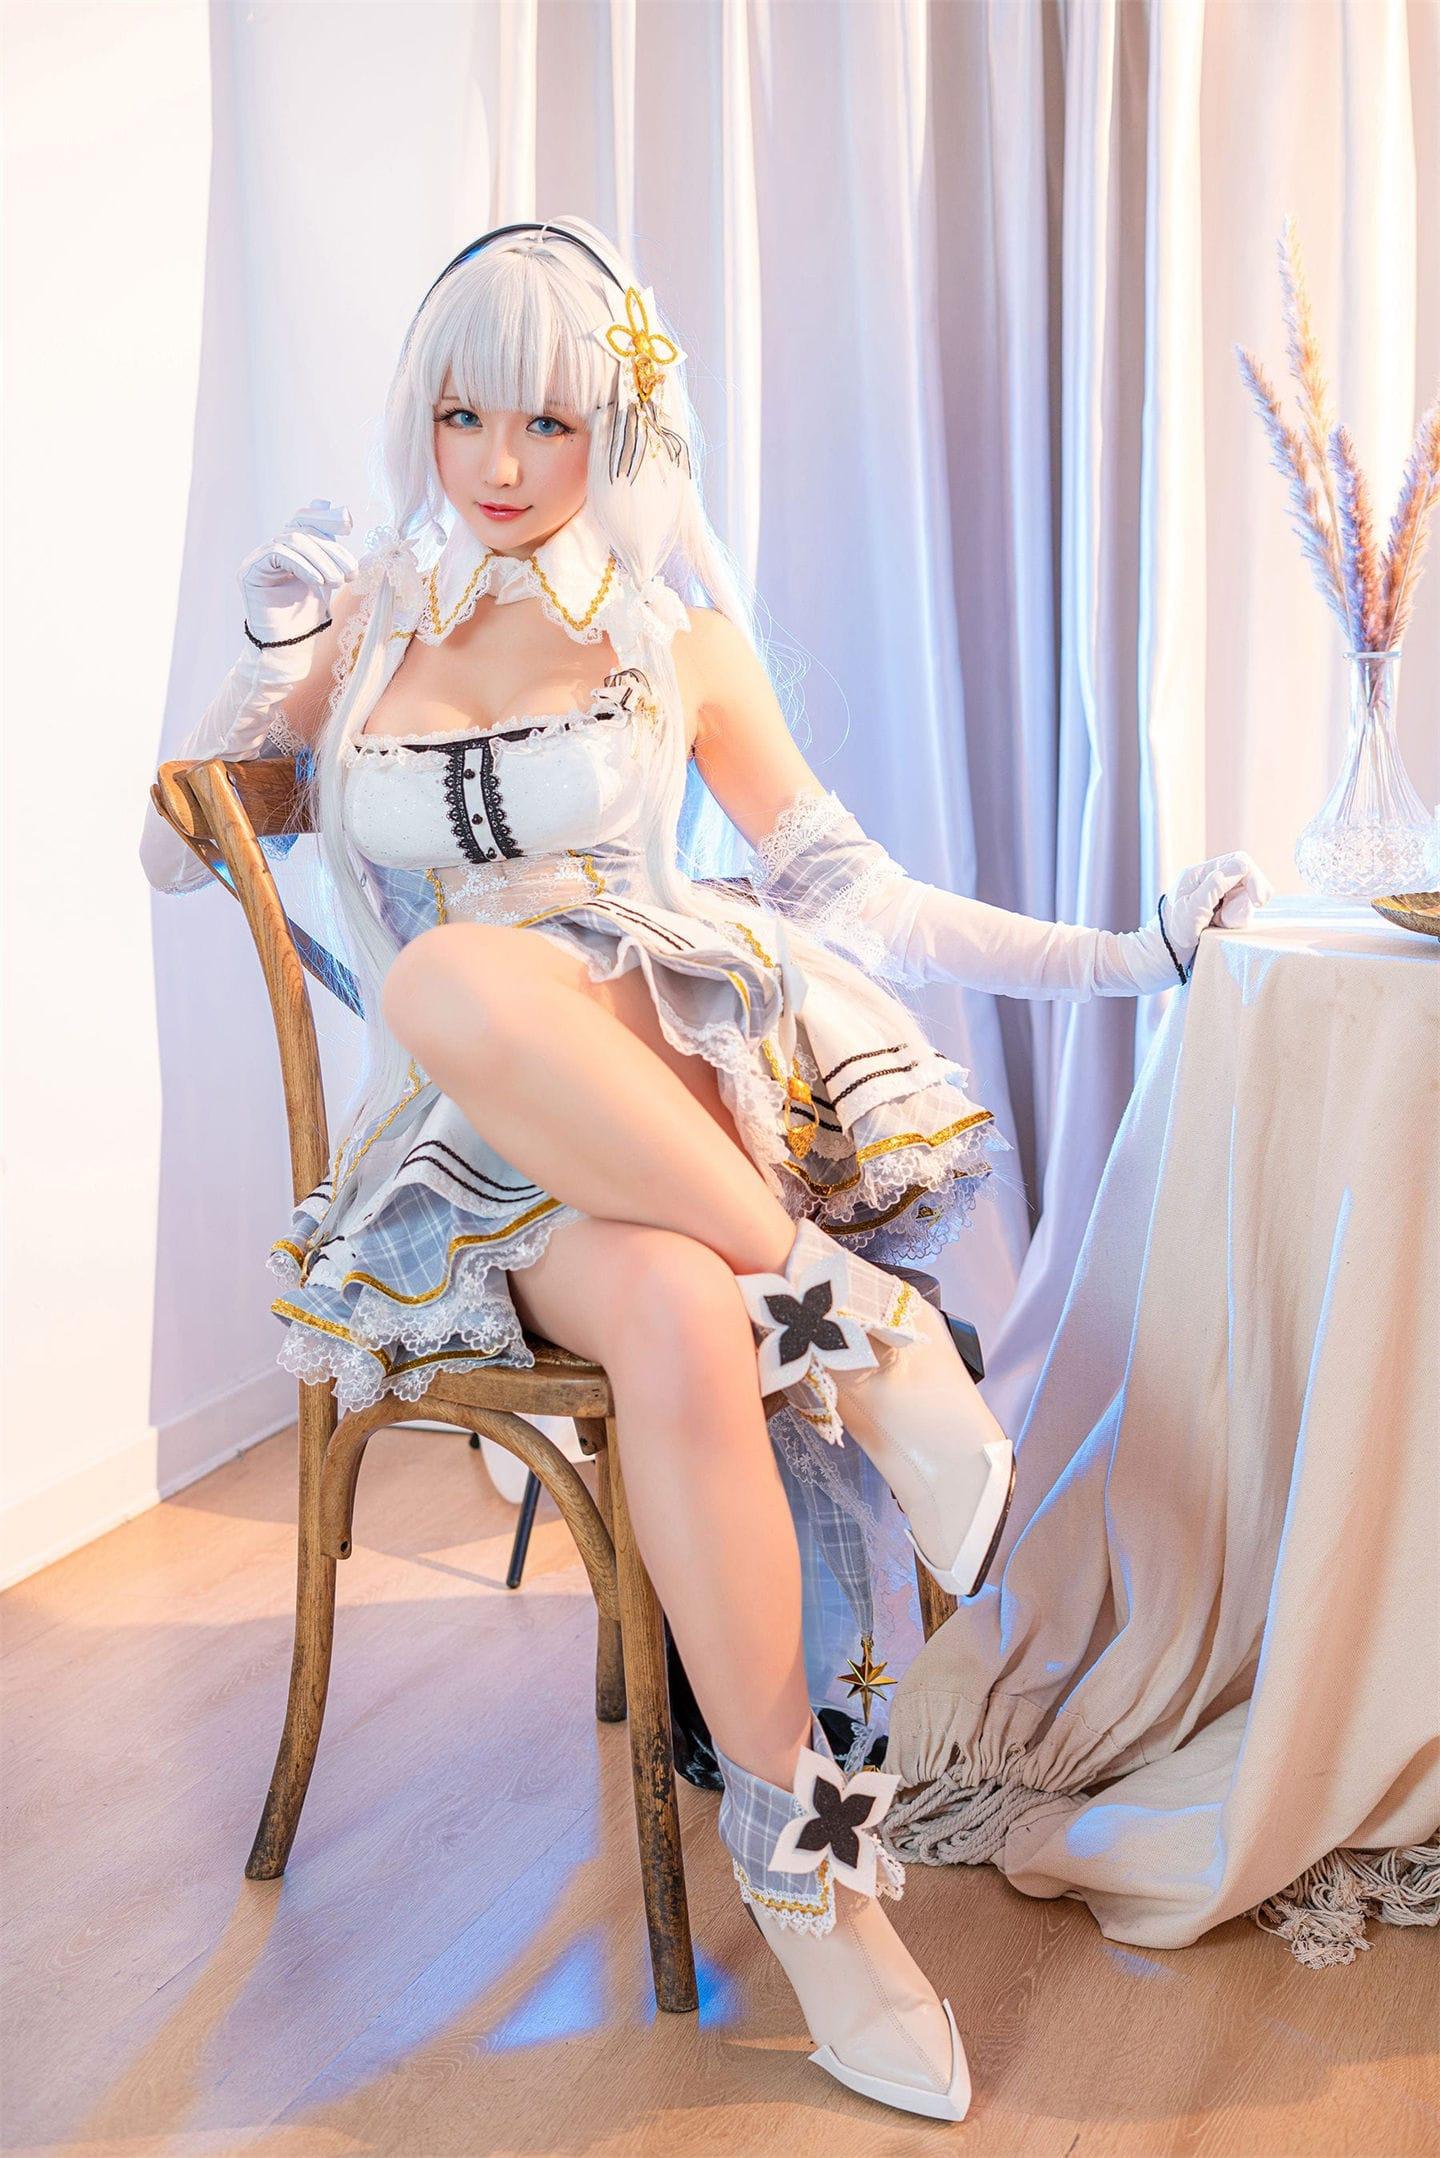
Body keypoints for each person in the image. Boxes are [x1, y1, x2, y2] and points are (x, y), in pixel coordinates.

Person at [141, 215, 1270, 2123]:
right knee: (615, 1224)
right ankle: (820, 1847)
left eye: (550, 421)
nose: (502, 462)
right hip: (481, 1166)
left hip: (659, 1087)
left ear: (622, 427)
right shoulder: (373, 621)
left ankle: (847, 1388)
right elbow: (183, 848)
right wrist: (267, 657)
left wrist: (1128, 959)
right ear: (422, 418)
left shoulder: (671, 642)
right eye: (465, 415)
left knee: (489, 1024)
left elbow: (873, 899)